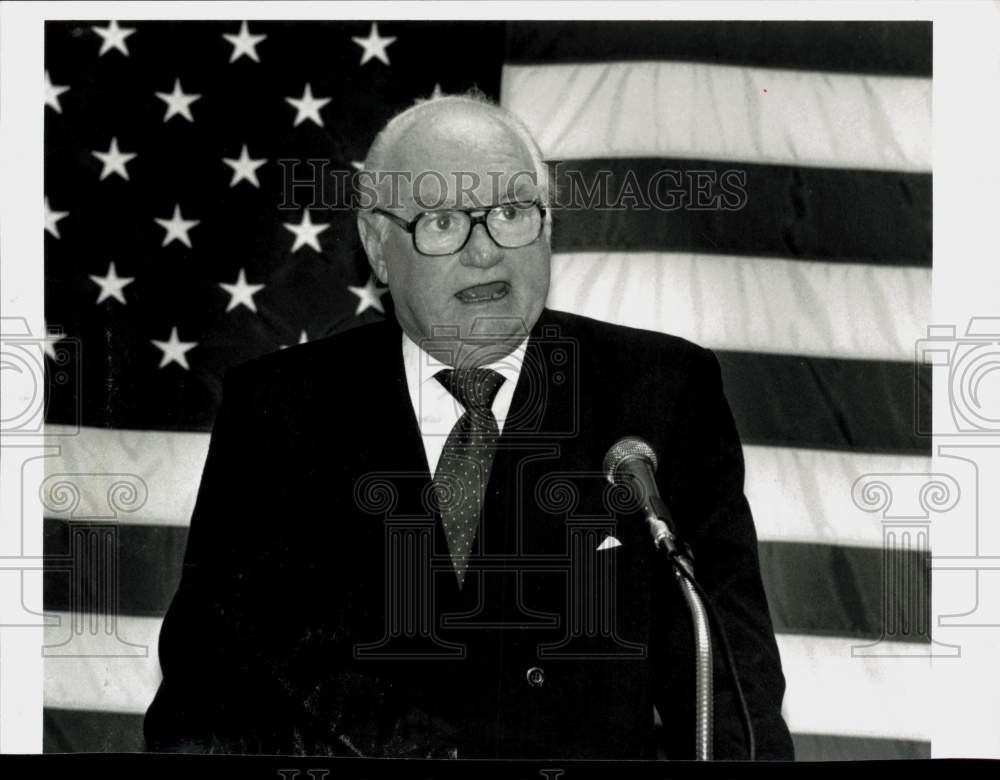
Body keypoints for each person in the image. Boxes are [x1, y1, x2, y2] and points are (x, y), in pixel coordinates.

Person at [144, 93, 794, 760]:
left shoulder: (658, 393)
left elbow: (732, 696)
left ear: (548, 228)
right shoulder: (281, 411)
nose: (485, 253)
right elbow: (204, 699)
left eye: (511, 213)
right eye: (444, 221)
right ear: (376, 245)